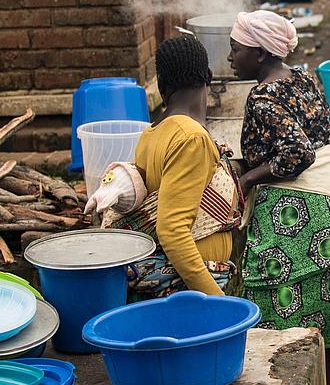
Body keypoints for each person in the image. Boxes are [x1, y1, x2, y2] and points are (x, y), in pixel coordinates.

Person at [229, 10, 330, 370]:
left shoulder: (262, 97)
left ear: (260, 53)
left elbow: (299, 153)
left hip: (301, 210)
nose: (230, 57)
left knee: (280, 302)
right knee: (327, 306)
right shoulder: (303, 76)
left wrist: (248, 178)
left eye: (236, 49)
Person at [91, 36, 242, 298]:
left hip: (172, 285)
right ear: (208, 76)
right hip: (187, 290)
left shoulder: (151, 134)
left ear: (161, 85)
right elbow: (172, 230)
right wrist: (215, 299)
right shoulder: (191, 138)